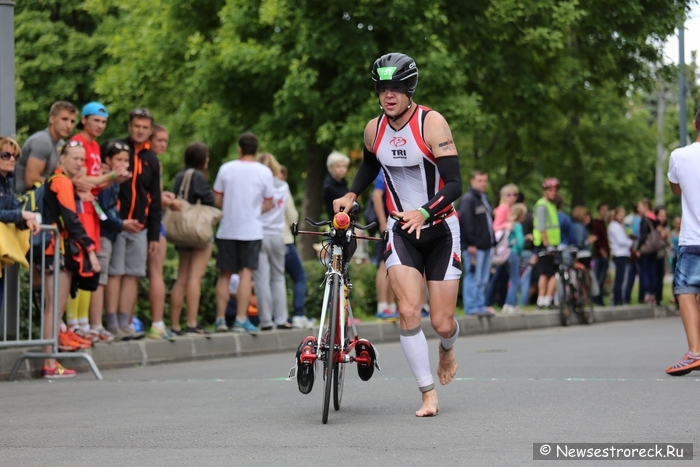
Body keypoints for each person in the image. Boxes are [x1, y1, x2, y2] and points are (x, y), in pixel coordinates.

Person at [334, 53, 463, 417]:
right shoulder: (373, 129)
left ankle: (447, 347)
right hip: (400, 230)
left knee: (441, 322)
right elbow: (370, 164)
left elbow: (455, 184)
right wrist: (350, 194)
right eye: (382, 88)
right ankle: (428, 394)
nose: (388, 95)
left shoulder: (432, 123)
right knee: (408, 311)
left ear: (410, 90)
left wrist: (424, 211)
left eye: (396, 88)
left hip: (440, 228)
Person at [68, 102, 130, 343]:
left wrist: (109, 179)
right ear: (84, 120)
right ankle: (74, 324)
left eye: (103, 122)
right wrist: (111, 176)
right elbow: (81, 181)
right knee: (80, 265)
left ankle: (84, 323)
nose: (100, 126)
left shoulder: (95, 145)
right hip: (79, 211)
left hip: (92, 212)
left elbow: (93, 184)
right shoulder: (79, 143)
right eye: (95, 120)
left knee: (90, 268)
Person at [41, 141, 101, 378]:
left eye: (82, 159)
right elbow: (71, 219)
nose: (79, 163)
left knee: (53, 308)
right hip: (56, 250)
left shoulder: (57, 181)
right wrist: (90, 250)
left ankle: (50, 360)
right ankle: (49, 361)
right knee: (55, 308)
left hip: (53, 249)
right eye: (74, 158)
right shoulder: (62, 182)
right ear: (62, 158)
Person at [104, 108, 162, 340]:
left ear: (150, 130)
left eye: (145, 127)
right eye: (137, 126)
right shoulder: (116, 149)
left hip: (140, 226)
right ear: (130, 127)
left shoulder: (151, 160)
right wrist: (117, 221)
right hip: (117, 224)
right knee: (114, 273)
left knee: (133, 274)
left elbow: (155, 198)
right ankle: (111, 323)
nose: (140, 131)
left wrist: (154, 235)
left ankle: (125, 321)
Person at [213, 132, 274, 333]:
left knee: (224, 275)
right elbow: (269, 202)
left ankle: (220, 319)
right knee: (246, 275)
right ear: (256, 150)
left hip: (227, 229)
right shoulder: (264, 172)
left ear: (239, 148)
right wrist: (255, 210)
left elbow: (218, 200)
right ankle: (241, 319)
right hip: (252, 229)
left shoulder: (226, 169)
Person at [665, 111, 700, 375]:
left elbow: (675, 188)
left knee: (687, 291)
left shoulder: (679, 156)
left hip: (692, 240)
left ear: (694, 124)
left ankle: (695, 353)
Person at [168, 142, 215, 335]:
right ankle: (192, 322)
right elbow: (209, 200)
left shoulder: (180, 176)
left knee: (181, 277)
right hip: (197, 230)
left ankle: (174, 324)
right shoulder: (197, 176)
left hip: (181, 230)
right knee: (195, 277)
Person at [98, 142, 142, 340]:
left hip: (113, 231)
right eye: (119, 160)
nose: (124, 164)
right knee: (104, 279)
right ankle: (107, 324)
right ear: (108, 160)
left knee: (119, 275)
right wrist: (119, 224)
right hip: (104, 233)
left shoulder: (116, 181)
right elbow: (101, 210)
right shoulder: (106, 180)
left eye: (126, 160)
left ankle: (121, 324)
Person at [0, 137, 41, 308]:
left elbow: (13, 209)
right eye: (5, 155)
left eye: (15, 157)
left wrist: (27, 221)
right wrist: (22, 215)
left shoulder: (8, 181)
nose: (12, 160)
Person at [254, 153, 292, 331]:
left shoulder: (256, 186)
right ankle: (282, 318)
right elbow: (290, 213)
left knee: (261, 278)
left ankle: (266, 320)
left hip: (258, 234)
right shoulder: (283, 186)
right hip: (278, 235)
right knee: (278, 278)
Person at [146, 124, 177, 339]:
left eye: (166, 141)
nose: (163, 144)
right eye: (159, 140)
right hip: (152, 222)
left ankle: (157, 322)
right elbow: (152, 197)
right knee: (155, 272)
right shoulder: (150, 161)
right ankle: (157, 323)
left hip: (154, 221)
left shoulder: (154, 162)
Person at [14, 101, 78, 193]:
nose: (69, 125)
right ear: (52, 119)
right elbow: (31, 181)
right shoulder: (42, 141)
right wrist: (66, 185)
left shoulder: (61, 144)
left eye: (72, 121)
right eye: (64, 119)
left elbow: (63, 174)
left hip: (42, 198)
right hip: (22, 200)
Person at [278, 165, 312, 329]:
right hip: (282, 238)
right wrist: (294, 225)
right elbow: (292, 215)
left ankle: (272, 317)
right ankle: (297, 314)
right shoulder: (281, 187)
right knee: (299, 276)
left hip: (260, 238)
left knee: (270, 279)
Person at [458, 170, 494, 316]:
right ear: (472, 181)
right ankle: (471, 307)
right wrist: (471, 242)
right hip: (474, 247)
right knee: (473, 276)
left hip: (486, 245)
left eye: (485, 180)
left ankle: (480, 305)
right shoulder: (468, 199)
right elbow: (466, 222)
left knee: (483, 279)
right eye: (480, 180)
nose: (483, 183)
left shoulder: (483, 198)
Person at [484, 183, 519, 313]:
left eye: (515, 194)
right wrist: (506, 225)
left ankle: (490, 301)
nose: (512, 197)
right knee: (510, 277)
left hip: (504, 248)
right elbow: (495, 227)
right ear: (503, 196)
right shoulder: (504, 208)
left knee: (498, 277)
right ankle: (509, 304)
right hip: (505, 248)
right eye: (509, 194)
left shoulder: (507, 208)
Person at [372, 169, 398, 319]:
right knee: (384, 264)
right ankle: (382, 305)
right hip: (388, 224)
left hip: (399, 224)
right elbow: (377, 196)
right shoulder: (383, 171)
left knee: (394, 265)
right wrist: (383, 223)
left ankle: (391, 304)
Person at [533, 178, 562, 309]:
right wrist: (547, 244)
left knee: (549, 273)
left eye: (555, 190)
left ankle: (545, 299)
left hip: (553, 244)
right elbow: (542, 227)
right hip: (546, 244)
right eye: (550, 190)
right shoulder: (543, 205)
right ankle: (544, 300)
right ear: (545, 191)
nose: (553, 193)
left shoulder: (551, 204)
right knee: (548, 273)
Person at [502, 203, 527, 314]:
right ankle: (510, 304)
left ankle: (509, 304)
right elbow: (520, 242)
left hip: (506, 253)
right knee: (515, 280)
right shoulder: (518, 226)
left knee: (511, 279)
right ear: (521, 215)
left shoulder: (509, 224)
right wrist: (520, 250)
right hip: (514, 253)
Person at [608, 206, 634, 306]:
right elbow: (621, 241)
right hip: (619, 254)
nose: (622, 217)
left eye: (623, 215)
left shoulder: (620, 226)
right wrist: (631, 242)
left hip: (623, 253)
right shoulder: (613, 226)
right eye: (620, 215)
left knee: (622, 278)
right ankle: (617, 299)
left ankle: (619, 299)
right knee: (619, 278)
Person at [635, 198, 659, 305]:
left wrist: (638, 249)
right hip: (654, 249)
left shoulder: (645, 220)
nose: (638, 209)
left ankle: (647, 295)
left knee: (645, 273)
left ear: (646, 207)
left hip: (646, 249)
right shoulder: (655, 219)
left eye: (640, 206)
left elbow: (643, 236)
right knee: (653, 273)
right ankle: (654, 295)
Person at [590, 202, 611, 305]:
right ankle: (596, 298)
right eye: (603, 210)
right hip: (599, 255)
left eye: (606, 210)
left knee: (602, 278)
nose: (605, 212)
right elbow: (596, 239)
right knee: (598, 277)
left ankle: (600, 298)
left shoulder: (603, 223)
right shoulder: (596, 223)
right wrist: (602, 251)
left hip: (605, 253)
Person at [322, 151, 350, 220]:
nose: (342, 169)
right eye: (338, 166)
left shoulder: (343, 183)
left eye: (344, 166)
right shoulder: (328, 187)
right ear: (331, 168)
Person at [655, 207, 671, 305]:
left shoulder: (666, 228)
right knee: (654, 277)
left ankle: (658, 298)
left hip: (662, 255)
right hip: (653, 255)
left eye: (665, 216)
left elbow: (667, 240)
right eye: (661, 216)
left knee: (660, 277)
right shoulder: (652, 226)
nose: (663, 218)